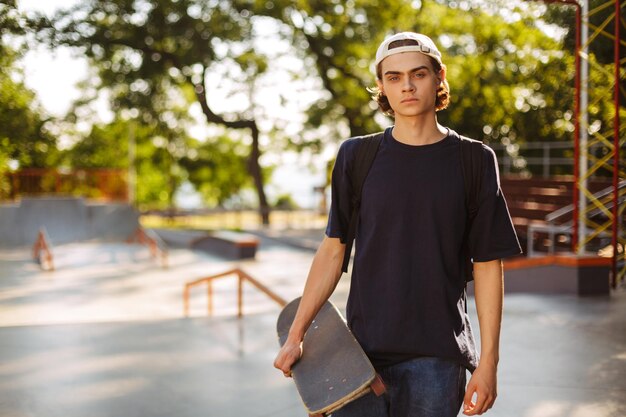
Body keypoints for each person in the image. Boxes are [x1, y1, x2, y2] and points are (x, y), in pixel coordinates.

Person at [274, 32, 522, 417]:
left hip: (437, 358)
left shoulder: (474, 160)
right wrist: (296, 335)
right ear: (382, 87)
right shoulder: (357, 156)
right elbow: (333, 249)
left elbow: (488, 264)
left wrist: (488, 362)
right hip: (359, 356)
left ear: (439, 77)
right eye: (393, 77)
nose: (406, 85)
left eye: (418, 74)